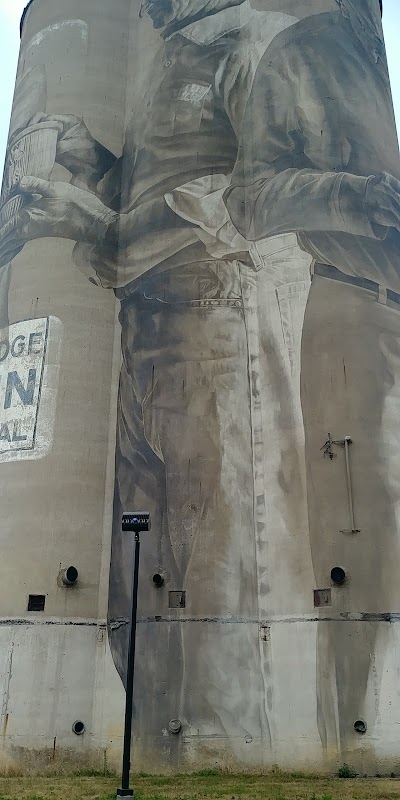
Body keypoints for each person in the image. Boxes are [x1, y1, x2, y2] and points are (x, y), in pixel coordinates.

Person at [0, 0, 297, 764]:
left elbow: (242, 199)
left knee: (214, 552)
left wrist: (93, 219)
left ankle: (223, 749)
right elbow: (149, 192)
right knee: (136, 571)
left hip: (206, 323)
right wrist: (92, 158)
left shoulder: (252, 46)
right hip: (140, 328)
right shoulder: (168, 52)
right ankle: (158, 745)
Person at [223, 0, 400, 763]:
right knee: (352, 535)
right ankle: (348, 742)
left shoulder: (374, 47)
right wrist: (353, 196)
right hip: (352, 304)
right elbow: (249, 196)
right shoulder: (303, 51)